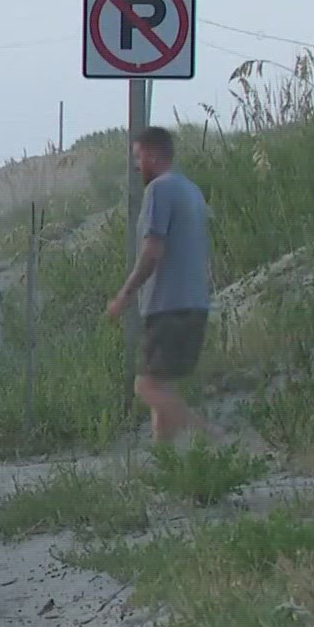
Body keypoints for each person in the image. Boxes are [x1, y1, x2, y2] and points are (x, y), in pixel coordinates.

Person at [106, 126, 212, 445]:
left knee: (145, 386)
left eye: (138, 157)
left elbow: (153, 250)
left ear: (152, 155)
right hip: (195, 302)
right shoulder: (191, 190)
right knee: (162, 385)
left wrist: (124, 295)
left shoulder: (159, 191)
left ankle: (209, 433)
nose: (137, 165)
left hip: (168, 305)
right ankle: (163, 464)